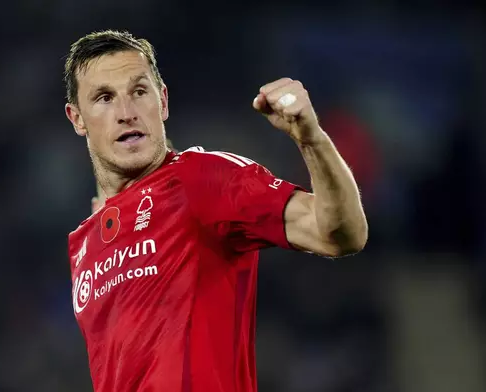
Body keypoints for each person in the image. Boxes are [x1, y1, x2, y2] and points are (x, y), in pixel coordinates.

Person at [64, 30, 368, 392]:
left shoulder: (202, 178)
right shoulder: (83, 242)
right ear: (77, 118)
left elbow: (341, 233)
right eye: (104, 98)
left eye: (139, 92)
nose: (126, 113)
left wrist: (311, 138)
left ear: (162, 102)